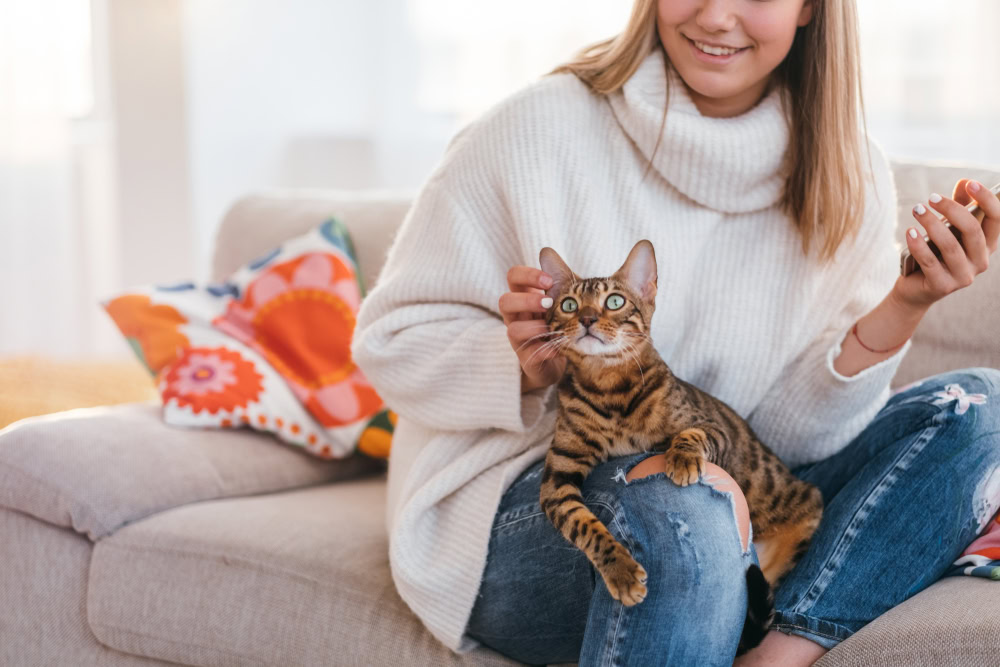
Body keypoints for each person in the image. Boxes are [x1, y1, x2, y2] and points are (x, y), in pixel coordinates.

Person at [351, 0, 1000, 664]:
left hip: (736, 477)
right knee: (685, 506)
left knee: (981, 406)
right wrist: (524, 366)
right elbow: (389, 344)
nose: (716, 16)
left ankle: (778, 650)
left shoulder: (849, 173)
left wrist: (908, 301)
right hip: (529, 509)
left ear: (810, 7)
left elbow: (795, 439)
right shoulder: (531, 129)